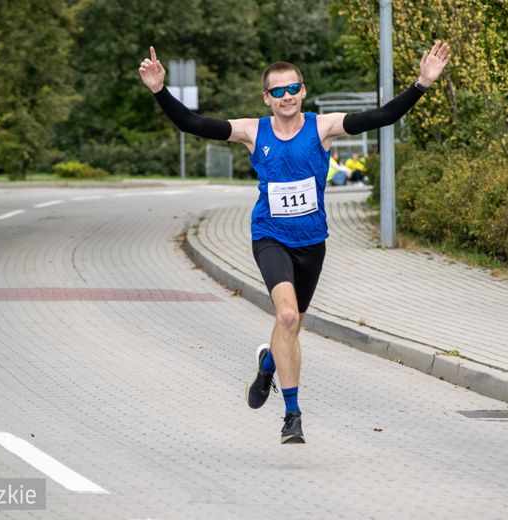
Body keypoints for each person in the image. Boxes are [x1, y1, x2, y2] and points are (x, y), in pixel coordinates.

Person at [139, 41, 451, 444]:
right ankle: (292, 415)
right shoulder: (255, 131)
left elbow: (381, 116)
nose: (286, 97)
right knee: (286, 318)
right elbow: (194, 125)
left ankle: (268, 364)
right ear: (266, 97)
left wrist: (422, 84)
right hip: (270, 237)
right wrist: (160, 91)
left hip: (312, 243)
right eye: (277, 91)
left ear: (302, 91)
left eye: (293, 89)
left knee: (292, 326)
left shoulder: (323, 127)